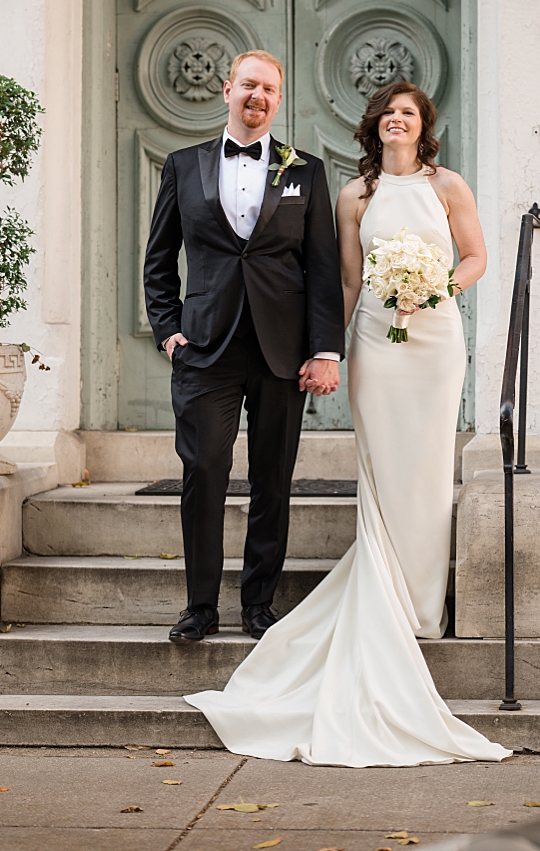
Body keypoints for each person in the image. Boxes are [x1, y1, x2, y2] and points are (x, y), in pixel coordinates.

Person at [185, 81, 512, 766]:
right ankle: (387, 598)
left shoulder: (447, 184)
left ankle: (422, 607)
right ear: (376, 126)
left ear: (423, 128)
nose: (398, 120)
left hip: (433, 341)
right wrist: (326, 347)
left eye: (409, 114)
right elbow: (347, 279)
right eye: (389, 113)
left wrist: (437, 286)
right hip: (373, 344)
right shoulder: (351, 195)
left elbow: (477, 256)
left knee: (426, 466)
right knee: (384, 467)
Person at [144, 51, 345, 644]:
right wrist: (166, 327)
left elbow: (321, 265)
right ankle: (200, 606)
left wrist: (325, 349)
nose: (259, 96)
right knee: (204, 471)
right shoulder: (183, 166)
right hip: (206, 348)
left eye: (271, 90)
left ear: (278, 101)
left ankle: (258, 603)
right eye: (250, 86)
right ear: (228, 90)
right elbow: (159, 258)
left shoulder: (303, 170)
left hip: (283, 351)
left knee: (272, 479)